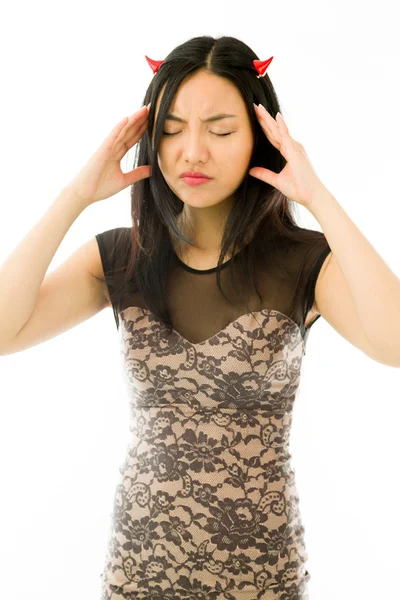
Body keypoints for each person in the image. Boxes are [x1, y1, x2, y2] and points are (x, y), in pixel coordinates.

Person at [2, 34, 398, 600]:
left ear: (261, 139)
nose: (192, 152)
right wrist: (76, 195)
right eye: (170, 130)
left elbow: (395, 343)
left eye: (220, 130)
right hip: (137, 574)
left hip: (262, 580)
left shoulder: (305, 262)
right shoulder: (121, 256)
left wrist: (319, 198)